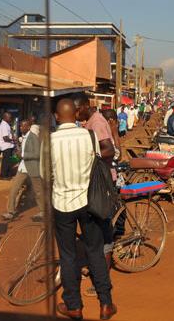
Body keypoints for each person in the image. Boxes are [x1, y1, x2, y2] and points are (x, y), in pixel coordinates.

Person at [45, 99, 117, 320]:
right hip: (88, 203)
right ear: (75, 114)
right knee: (95, 251)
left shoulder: (48, 141)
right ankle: (106, 304)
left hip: (62, 204)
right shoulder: (89, 136)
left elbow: (44, 175)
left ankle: (74, 306)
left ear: (57, 116)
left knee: (68, 256)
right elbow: (97, 161)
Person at [74, 95, 117, 298]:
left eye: (77, 110)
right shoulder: (89, 121)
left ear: (84, 106)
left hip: (101, 183)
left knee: (102, 229)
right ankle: (96, 268)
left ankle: (104, 279)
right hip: (95, 182)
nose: (76, 114)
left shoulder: (97, 122)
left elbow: (109, 149)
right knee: (94, 229)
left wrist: (87, 156)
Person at [2, 117, 43, 221]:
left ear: (28, 127)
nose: (20, 128)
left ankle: (43, 211)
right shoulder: (23, 137)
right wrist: (18, 156)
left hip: (33, 168)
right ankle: (10, 212)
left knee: (38, 191)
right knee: (14, 189)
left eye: (22, 126)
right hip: (23, 168)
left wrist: (23, 154)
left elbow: (37, 154)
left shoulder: (33, 137)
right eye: (20, 126)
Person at [0, 112, 16, 180]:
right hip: (6, 146)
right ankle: (3, 175)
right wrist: (13, 140)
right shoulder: (4, 125)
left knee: (8, 161)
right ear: (5, 117)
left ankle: (7, 174)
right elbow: (5, 138)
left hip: (9, 146)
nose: (10, 119)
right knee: (6, 162)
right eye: (9, 117)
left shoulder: (6, 124)